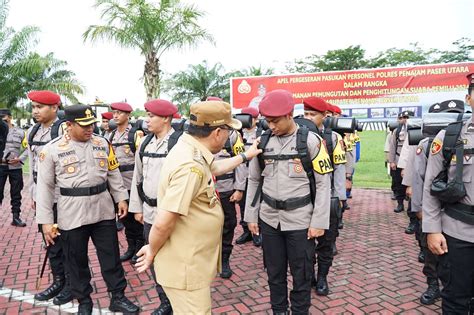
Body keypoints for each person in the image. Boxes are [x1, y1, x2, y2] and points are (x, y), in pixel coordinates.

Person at [135, 100, 261, 314]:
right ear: (218, 132)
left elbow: (215, 167)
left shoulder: (190, 148)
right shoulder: (190, 166)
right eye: (228, 130)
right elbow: (164, 221)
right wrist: (152, 250)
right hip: (185, 268)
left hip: (190, 261)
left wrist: (245, 156)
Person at [36, 104, 139, 315]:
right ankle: (84, 300)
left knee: (111, 256)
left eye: (91, 124)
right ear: (69, 125)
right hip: (72, 212)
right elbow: (44, 189)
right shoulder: (52, 149)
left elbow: (113, 173)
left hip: (103, 209)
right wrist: (45, 221)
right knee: (76, 260)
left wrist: (121, 198)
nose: (89, 129)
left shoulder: (102, 143)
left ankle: (117, 296)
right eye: (83, 125)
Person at [245, 90, 331, 314]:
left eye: (275, 121)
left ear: (290, 115)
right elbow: (253, 180)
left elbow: (323, 184)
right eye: (267, 121)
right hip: (270, 219)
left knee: (301, 274)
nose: (271, 126)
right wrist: (250, 216)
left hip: (301, 220)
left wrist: (319, 221)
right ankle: (279, 311)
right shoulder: (262, 142)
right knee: (274, 274)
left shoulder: (311, 141)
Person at [422, 73, 474, 313]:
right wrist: (432, 230)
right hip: (459, 231)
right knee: (455, 299)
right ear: (469, 99)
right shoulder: (449, 137)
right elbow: (432, 186)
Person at [411, 100, 465, 306]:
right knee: (432, 252)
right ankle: (433, 285)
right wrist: (419, 208)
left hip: (459, 210)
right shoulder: (429, 144)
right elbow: (420, 179)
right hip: (435, 207)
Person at [129, 99, 179, 315]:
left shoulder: (180, 143)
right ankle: (165, 302)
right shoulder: (145, 143)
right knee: (155, 258)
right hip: (150, 213)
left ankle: (180, 302)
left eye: (151, 116)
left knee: (177, 259)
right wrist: (137, 207)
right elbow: (137, 178)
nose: (146, 120)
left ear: (166, 118)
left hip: (174, 214)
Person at [27, 90, 72, 305]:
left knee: (69, 242)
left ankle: (73, 283)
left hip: (63, 196)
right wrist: (33, 194)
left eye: (40, 107)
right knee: (50, 240)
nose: (35, 111)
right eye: (33, 107)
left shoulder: (64, 129)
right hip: (44, 197)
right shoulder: (33, 132)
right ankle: (59, 281)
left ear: (54, 108)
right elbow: (32, 167)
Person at [303, 97, 346, 296]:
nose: (308, 118)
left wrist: (339, 197)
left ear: (324, 116)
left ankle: (322, 277)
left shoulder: (334, 138)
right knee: (305, 243)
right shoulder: (299, 136)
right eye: (306, 114)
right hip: (304, 200)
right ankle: (309, 275)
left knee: (326, 243)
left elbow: (338, 168)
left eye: (313, 114)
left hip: (328, 199)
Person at [109, 102, 145, 263]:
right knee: (125, 219)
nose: (115, 116)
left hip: (133, 185)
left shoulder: (135, 135)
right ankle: (131, 247)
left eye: (119, 113)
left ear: (128, 115)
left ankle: (139, 248)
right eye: (114, 113)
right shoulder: (110, 136)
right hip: (118, 186)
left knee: (136, 219)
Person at [236, 107, 262, 247]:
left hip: (256, 176)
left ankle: (257, 232)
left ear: (256, 119)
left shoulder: (261, 133)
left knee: (256, 204)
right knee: (243, 205)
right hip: (242, 176)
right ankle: (246, 231)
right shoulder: (237, 134)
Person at [0, 109, 28, 226]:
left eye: (3, 117)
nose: (2, 119)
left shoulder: (21, 132)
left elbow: (28, 148)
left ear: (10, 117)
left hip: (15, 167)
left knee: (16, 193)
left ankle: (16, 217)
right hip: (1, 166)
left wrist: (20, 158)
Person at [388, 111, 412, 213]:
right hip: (398, 160)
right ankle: (400, 204)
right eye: (402, 117)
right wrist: (392, 161)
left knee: (412, 184)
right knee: (398, 183)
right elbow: (392, 147)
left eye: (407, 117)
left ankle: (412, 207)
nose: (404, 119)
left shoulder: (416, 129)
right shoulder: (396, 131)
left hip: (411, 161)